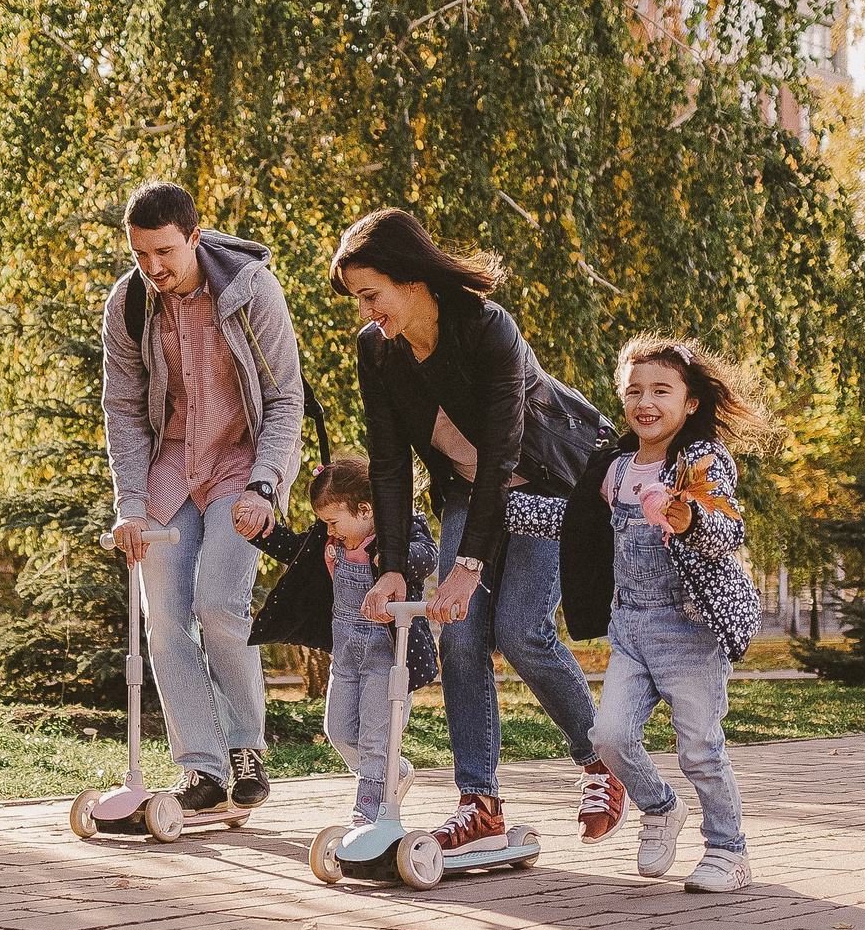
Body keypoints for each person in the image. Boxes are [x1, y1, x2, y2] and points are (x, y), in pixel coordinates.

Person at [333, 208, 614, 855]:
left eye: (371, 295)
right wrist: (394, 565)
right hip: (467, 489)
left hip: (542, 482)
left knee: (520, 628)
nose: (366, 312)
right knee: (459, 633)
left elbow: (503, 453)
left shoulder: (487, 328)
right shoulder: (377, 352)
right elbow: (388, 466)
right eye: (358, 299)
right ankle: (479, 803)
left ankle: (600, 759)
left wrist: (469, 565)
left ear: (411, 279)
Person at [103, 180, 307, 813]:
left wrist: (266, 485)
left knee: (219, 605)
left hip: (238, 468)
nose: (154, 267)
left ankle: (246, 747)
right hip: (168, 471)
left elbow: (284, 399)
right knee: (164, 625)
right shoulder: (129, 303)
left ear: (194, 236)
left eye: (165, 251)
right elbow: (124, 409)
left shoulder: (250, 289)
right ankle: (201, 767)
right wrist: (130, 504)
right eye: (141, 254)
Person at [560, 336, 774, 893]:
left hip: (690, 627)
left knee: (699, 746)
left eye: (661, 390)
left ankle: (729, 852)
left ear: (690, 403)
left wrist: (690, 521)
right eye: (634, 391)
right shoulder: (613, 466)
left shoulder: (701, 461)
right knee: (607, 737)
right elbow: (573, 524)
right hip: (632, 625)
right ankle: (659, 807)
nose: (645, 402)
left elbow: (729, 527)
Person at [246, 456, 440, 826]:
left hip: (388, 655)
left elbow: (428, 555)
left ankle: (368, 814)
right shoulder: (331, 539)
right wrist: (261, 533)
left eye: (333, 522)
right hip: (347, 653)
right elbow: (295, 550)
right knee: (338, 731)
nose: (329, 531)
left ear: (365, 509)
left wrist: (393, 560)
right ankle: (390, 772)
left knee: (374, 740)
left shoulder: (400, 527)